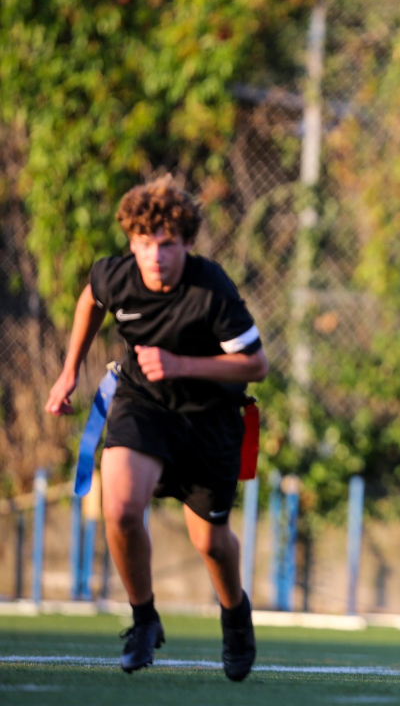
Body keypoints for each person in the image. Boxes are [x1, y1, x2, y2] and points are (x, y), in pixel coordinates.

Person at [45, 176, 267, 681]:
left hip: (209, 421)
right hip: (143, 405)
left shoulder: (211, 289)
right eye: (144, 244)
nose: (154, 256)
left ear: (187, 243)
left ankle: (234, 613)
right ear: (131, 242)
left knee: (210, 543)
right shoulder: (118, 275)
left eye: (166, 245)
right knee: (120, 508)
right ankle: (144, 618)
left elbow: (256, 365)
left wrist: (182, 364)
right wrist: (68, 372)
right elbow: (91, 300)